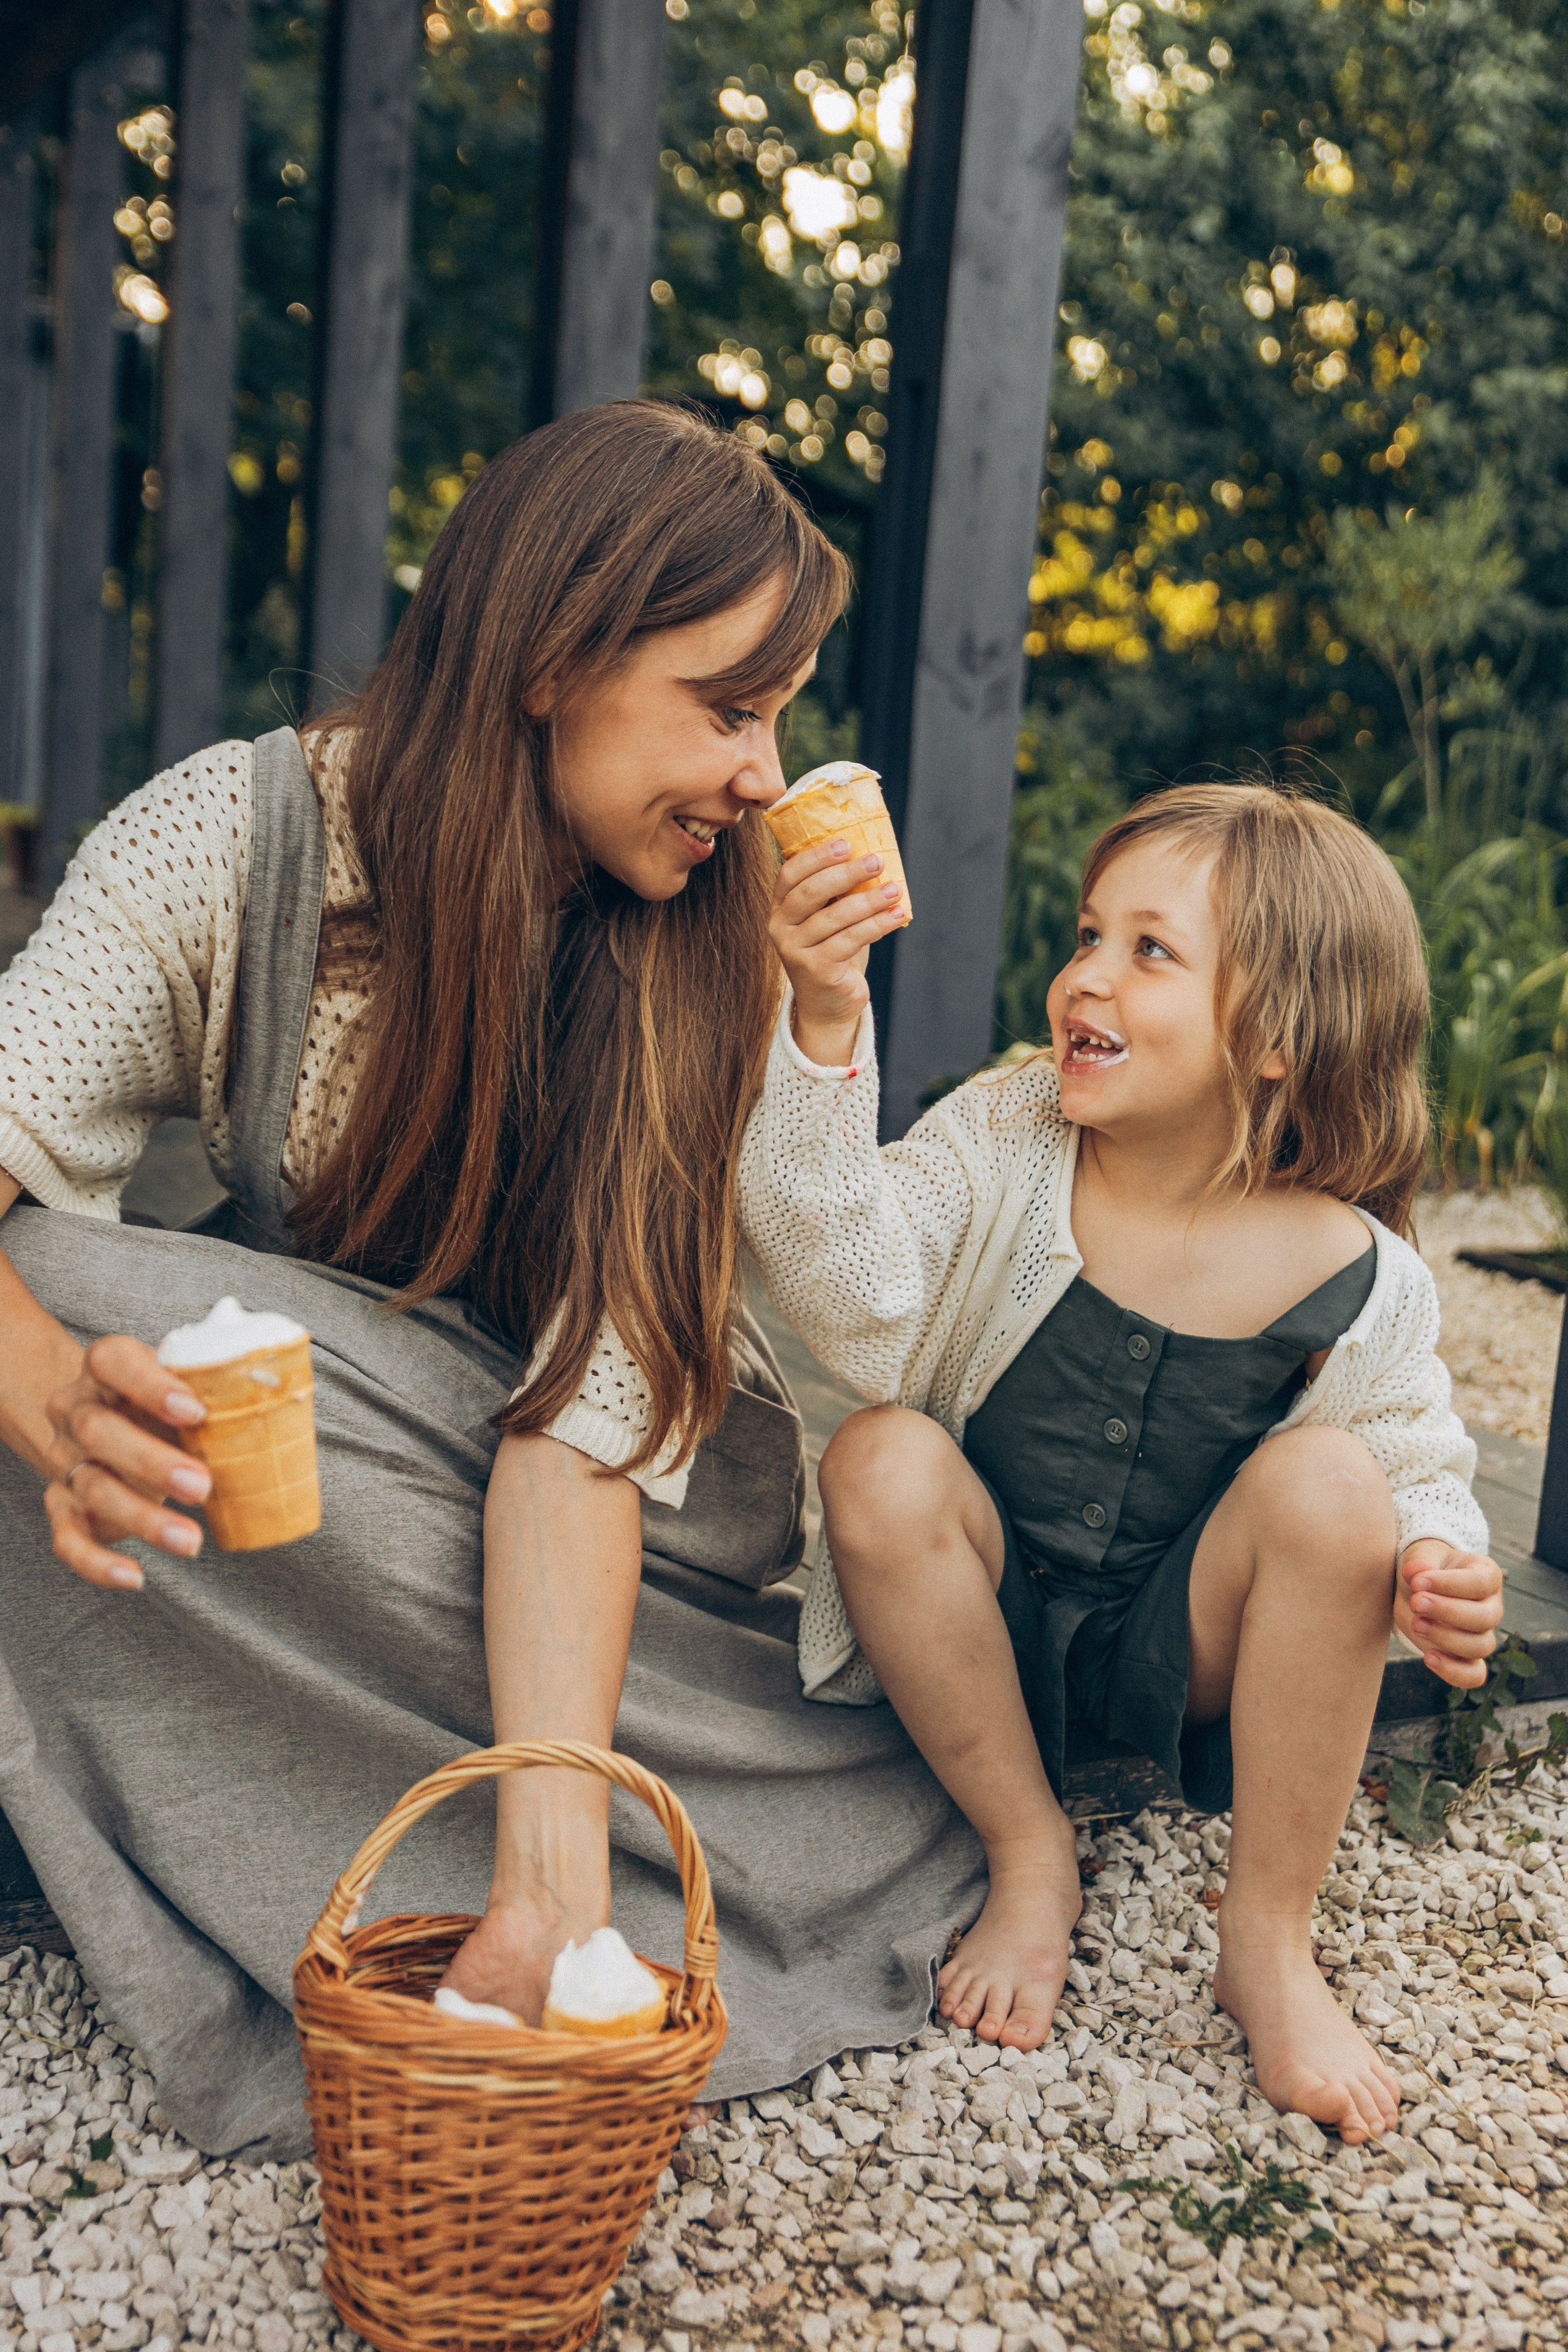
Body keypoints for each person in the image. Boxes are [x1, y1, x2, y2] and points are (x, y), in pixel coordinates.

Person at [0, 401, 986, 2158]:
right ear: (553, 658)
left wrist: (551, 1877)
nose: (767, 774)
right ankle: (519, 1826)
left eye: (777, 717)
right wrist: (48, 1391)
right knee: (68, 1336)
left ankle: (551, 1839)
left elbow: (583, 1434)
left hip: (644, 1521)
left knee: (123, 1318)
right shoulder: (217, 847)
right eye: (731, 707)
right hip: (390, 1479)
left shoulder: (708, 955)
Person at [741, 781, 1505, 2145]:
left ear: (1275, 1037)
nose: (1082, 975)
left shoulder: (1359, 1272)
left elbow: (1415, 1457)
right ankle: (1029, 1850)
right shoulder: (1005, 1136)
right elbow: (849, 1295)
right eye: (1087, 935)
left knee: (1339, 1491)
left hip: (1184, 1647)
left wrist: (1442, 1559)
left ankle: (1265, 1936)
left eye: (1148, 950)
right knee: (877, 1456)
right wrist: (821, 1023)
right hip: (973, 1617)